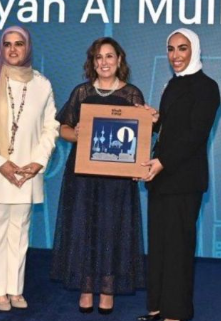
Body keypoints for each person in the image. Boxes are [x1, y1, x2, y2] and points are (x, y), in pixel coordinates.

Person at [51, 37, 156, 315]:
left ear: (119, 60)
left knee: (112, 229)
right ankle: (86, 287)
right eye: (98, 57)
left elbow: (142, 136)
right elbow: (63, 129)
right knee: (84, 226)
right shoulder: (81, 93)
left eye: (109, 56)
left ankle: (108, 288)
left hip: (117, 179)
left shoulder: (132, 94)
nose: (104, 62)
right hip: (83, 176)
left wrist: (139, 162)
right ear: (92, 62)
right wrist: (77, 134)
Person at [0, 26, 59, 311]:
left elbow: (51, 127)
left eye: (19, 44)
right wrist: (0, 162)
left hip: (26, 172)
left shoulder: (42, 84)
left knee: (19, 234)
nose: (13, 49)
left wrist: (38, 162)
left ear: (27, 47)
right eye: (7, 44)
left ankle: (15, 289)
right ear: (1, 48)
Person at [138, 28, 220, 321]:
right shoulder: (173, 84)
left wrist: (161, 161)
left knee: (178, 249)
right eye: (171, 49)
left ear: (194, 50)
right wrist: (155, 120)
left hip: (184, 181)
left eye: (182, 48)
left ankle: (176, 314)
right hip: (161, 180)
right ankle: (157, 308)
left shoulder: (207, 87)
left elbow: (195, 135)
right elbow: (173, 129)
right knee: (159, 246)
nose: (176, 55)